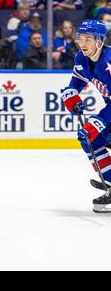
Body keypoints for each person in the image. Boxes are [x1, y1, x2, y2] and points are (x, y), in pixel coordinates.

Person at [60, 19, 111, 212]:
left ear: (100, 41)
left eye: (88, 39)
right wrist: (71, 93)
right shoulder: (81, 59)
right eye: (80, 38)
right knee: (89, 139)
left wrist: (100, 120)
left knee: (93, 132)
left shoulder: (109, 62)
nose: (83, 43)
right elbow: (76, 82)